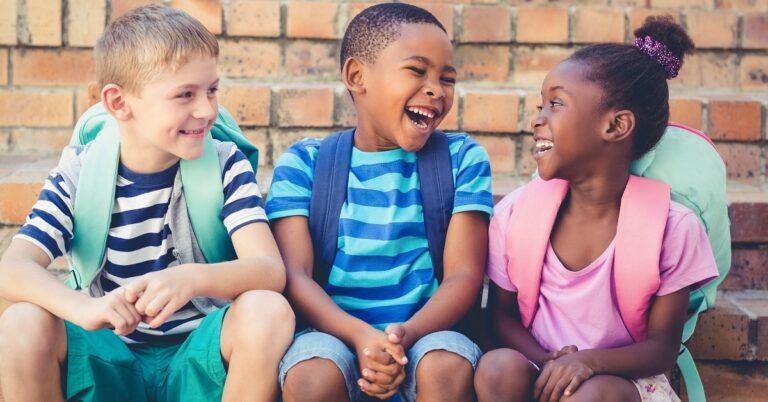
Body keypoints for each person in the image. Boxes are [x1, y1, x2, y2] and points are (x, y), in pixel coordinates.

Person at [0, 5, 293, 401]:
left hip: (200, 361)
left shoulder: (226, 163)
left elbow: (269, 270)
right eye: (185, 94)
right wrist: (83, 309)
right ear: (119, 103)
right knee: (20, 321)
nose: (207, 110)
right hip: (108, 356)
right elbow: (12, 269)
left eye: (211, 89)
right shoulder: (80, 172)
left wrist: (191, 278)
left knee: (268, 310)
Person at [475, 16, 719, 402]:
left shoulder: (673, 228)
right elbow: (499, 317)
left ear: (616, 126)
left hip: (622, 381)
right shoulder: (517, 213)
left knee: (592, 396)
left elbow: (661, 347)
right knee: (497, 367)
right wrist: (551, 363)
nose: (537, 118)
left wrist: (589, 363)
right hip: (540, 366)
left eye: (555, 104)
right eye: (541, 105)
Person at [266, 3, 493, 401]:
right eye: (417, 71)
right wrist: (360, 337)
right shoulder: (305, 163)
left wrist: (405, 337)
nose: (436, 90)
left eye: (447, 78)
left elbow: (464, 276)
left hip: (427, 337)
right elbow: (296, 276)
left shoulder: (462, 159)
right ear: (357, 76)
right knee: (311, 373)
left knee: (446, 364)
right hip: (332, 337)